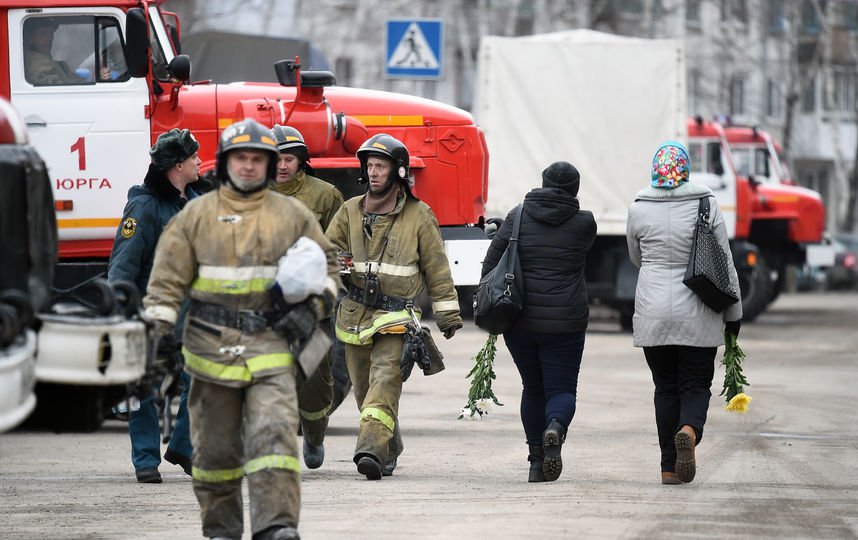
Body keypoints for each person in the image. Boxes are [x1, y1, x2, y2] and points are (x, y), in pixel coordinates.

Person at [142, 118, 340, 540]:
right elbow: (165, 282)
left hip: (271, 350)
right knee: (215, 452)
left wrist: (313, 309)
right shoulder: (195, 216)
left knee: (274, 438)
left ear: (269, 164)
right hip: (208, 354)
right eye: (240, 158)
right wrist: (157, 334)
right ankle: (221, 530)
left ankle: (276, 526)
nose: (248, 166)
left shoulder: (293, 215)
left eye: (257, 159)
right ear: (226, 162)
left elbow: (329, 269)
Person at [325, 133, 462, 480]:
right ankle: (389, 446)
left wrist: (448, 314)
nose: (373, 173)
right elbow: (326, 253)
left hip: (395, 318)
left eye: (380, 166)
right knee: (363, 392)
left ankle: (369, 449)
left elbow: (437, 267)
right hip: (354, 315)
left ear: (398, 172)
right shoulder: (349, 211)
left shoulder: (419, 216)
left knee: (384, 381)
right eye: (369, 166)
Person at [626, 141, 742, 485]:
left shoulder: (639, 206)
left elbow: (636, 256)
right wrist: (734, 312)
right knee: (694, 383)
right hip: (699, 308)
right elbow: (723, 261)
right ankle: (689, 430)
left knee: (665, 388)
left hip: (653, 309)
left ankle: (668, 469)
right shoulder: (705, 202)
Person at [481, 161, 597, 483]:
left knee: (532, 388)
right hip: (566, 323)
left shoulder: (517, 216)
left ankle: (536, 461)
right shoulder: (585, 223)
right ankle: (555, 428)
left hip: (520, 321)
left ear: (543, 182)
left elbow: (491, 263)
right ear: (575, 189)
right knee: (561, 388)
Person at [108, 128, 208, 484]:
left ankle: (183, 448)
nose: (200, 161)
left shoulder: (199, 200)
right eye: (194, 157)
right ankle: (145, 459)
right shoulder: (144, 206)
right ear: (177, 165)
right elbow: (124, 263)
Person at [269, 124, 344, 470]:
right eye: (276, 159)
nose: (282, 166)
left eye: (289, 159)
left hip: (314, 308)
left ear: (301, 161)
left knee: (315, 381)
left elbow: (339, 249)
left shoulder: (325, 196)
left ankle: (313, 435)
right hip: (267, 306)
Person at [23, 18, 85, 85]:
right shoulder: (39, 64)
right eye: (43, 33)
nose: (50, 38)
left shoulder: (55, 64)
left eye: (51, 33)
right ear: (30, 37)